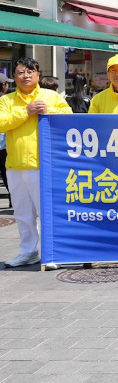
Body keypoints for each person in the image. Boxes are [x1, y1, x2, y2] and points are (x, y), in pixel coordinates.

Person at [0, 57, 72, 267]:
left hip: (45, 165)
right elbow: (2, 123)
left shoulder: (51, 96)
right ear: (14, 77)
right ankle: (28, 251)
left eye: (30, 72)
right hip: (15, 164)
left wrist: (50, 111)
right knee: (22, 213)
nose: (26, 76)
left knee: (47, 211)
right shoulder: (6, 100)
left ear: (38, 75)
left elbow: (68, 117)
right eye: (21, 72)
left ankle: (51, 253)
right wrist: (26, 111)